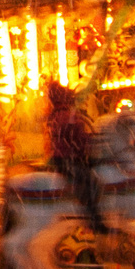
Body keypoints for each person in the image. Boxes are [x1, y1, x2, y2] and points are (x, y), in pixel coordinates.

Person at [47, 82, 103, 231]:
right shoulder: (66, 115)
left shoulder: (60, 114)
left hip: (67, 155)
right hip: (67, 158)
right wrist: (89, 142)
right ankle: (92, 218)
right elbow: (76, 136)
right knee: (89, 181)